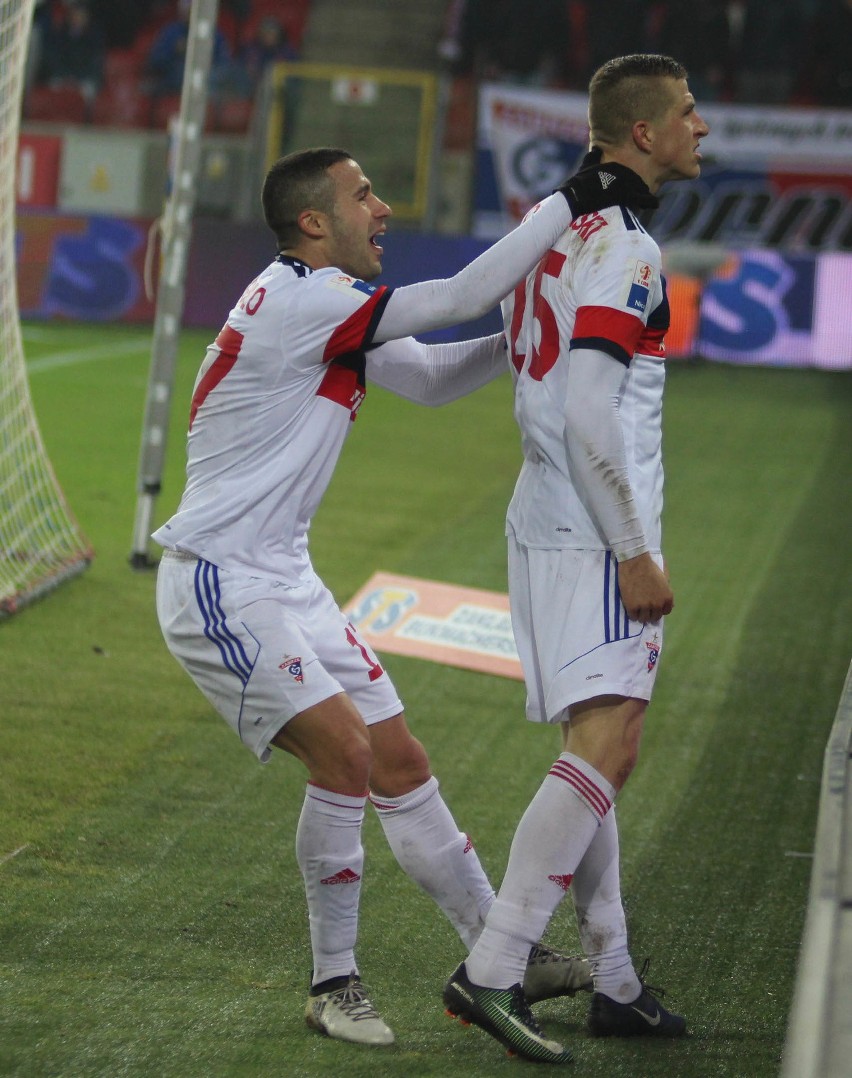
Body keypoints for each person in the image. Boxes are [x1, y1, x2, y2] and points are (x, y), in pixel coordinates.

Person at [152, 146, 652, 1046]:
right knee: (345, 757)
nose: (382, 208)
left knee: (402, 763)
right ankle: (333, 983)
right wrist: (570, 201)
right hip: (222, 582)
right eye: (364, 196)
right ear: (316, 222)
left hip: (285, 578)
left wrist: (531, 338)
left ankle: (504, 951)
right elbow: (460, 293)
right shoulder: (309, 302)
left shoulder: (321, 305)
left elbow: (425, 378)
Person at [443, 54, 710, 1064]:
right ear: (641, 134)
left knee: (591, 748)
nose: (702, 128)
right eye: (687, 113)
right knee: (611, 746)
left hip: (541, 516)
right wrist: (635, 552)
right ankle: (494, 968)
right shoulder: (628, 249)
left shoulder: (554, 230)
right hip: (594, 530)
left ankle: (615, 979)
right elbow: (589, 405)